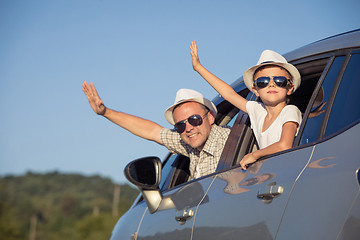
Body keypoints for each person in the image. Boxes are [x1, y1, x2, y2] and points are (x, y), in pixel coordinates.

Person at [190, 41, 302, 170]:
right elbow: (229, 94)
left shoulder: (290, 111)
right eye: (263, 82)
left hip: (287, 170)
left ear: (290, 88)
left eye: (279, 81)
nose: (271, 84)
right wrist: (198, 67)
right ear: (255, 90)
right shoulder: (258, 111)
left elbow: (284, 145)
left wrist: (255, 155)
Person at [82, 82, 231, 179]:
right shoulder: (189, 144)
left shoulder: (230, 139)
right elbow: (152, 131)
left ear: (210, 117)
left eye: (194, 119)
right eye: (180, 125)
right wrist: (106, 112)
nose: (188, 128)